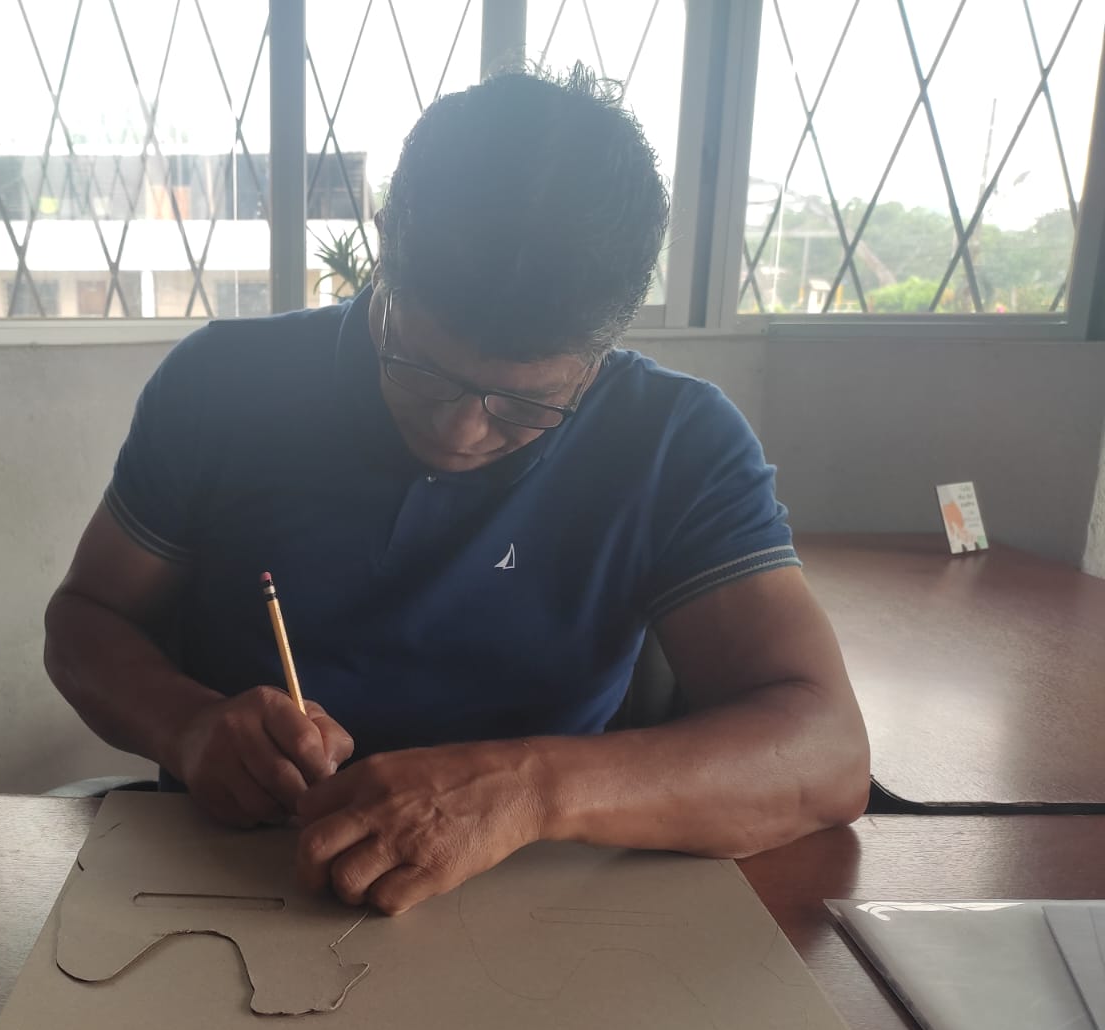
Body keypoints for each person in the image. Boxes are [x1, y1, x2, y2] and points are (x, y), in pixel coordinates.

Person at [45, 68, 869, 917]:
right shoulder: (224, 384)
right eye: (422, 372)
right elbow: (85, 622)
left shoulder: (675, 442)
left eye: (527, 403)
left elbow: (828, 753)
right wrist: (186, 726)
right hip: (239, 877)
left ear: (608, 341)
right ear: (383, 246)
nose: (461, 431)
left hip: (536, 899)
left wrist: (530, 791)